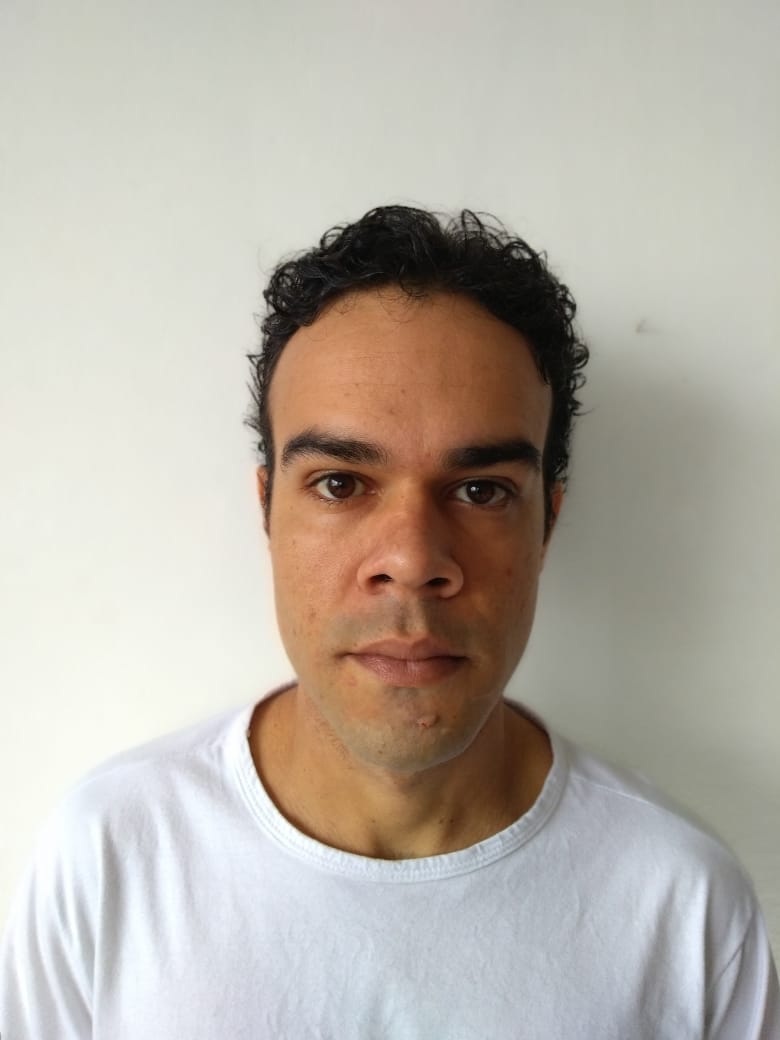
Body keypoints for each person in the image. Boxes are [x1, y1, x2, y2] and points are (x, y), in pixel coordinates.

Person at [1, 205, 777, 1039]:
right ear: (267, 511)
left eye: (481, 491)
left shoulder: (682, 907)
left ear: (547, 522)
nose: (411, 560)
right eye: (340, 483)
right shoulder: (111, 857)